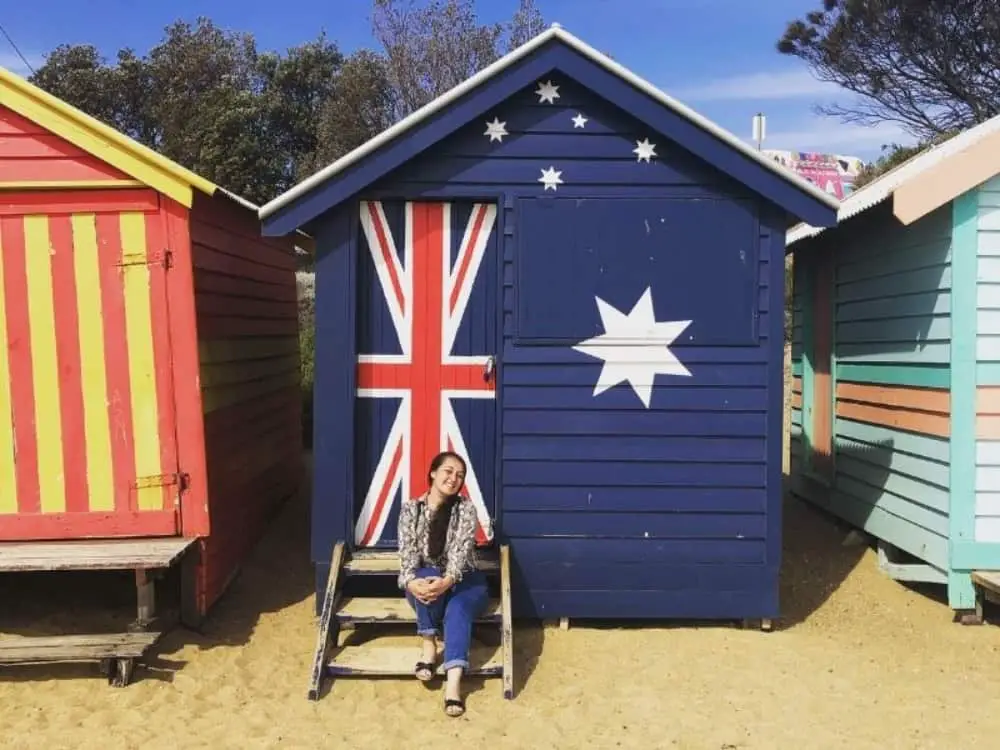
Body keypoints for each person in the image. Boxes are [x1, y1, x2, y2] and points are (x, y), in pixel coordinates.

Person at [397, 451, 489, 718]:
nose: (453, 478)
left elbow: (460, 556)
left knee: (458, 609)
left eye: (459, 475)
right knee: (423, 578)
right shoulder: (410, 510)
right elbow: (407, 555)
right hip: (428, 580)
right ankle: (429, 646)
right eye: (448, 471)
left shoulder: (465, 509)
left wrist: (447, 581)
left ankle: (453, 686)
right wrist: (411, 583)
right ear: (433, 473)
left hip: (465, 580)